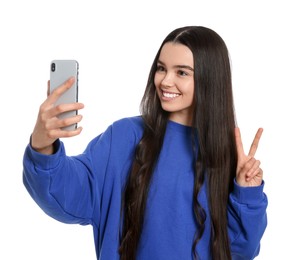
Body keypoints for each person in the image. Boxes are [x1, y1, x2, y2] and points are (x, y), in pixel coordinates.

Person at [23, 26, 268, 260]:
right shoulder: (124, 137)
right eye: (161, 68)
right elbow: (70, 195)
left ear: (210, 79)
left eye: (181, 72)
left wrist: (247, 193)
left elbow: (241, 249)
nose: (165, 81)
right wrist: (43, 146)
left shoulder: (226, 154)